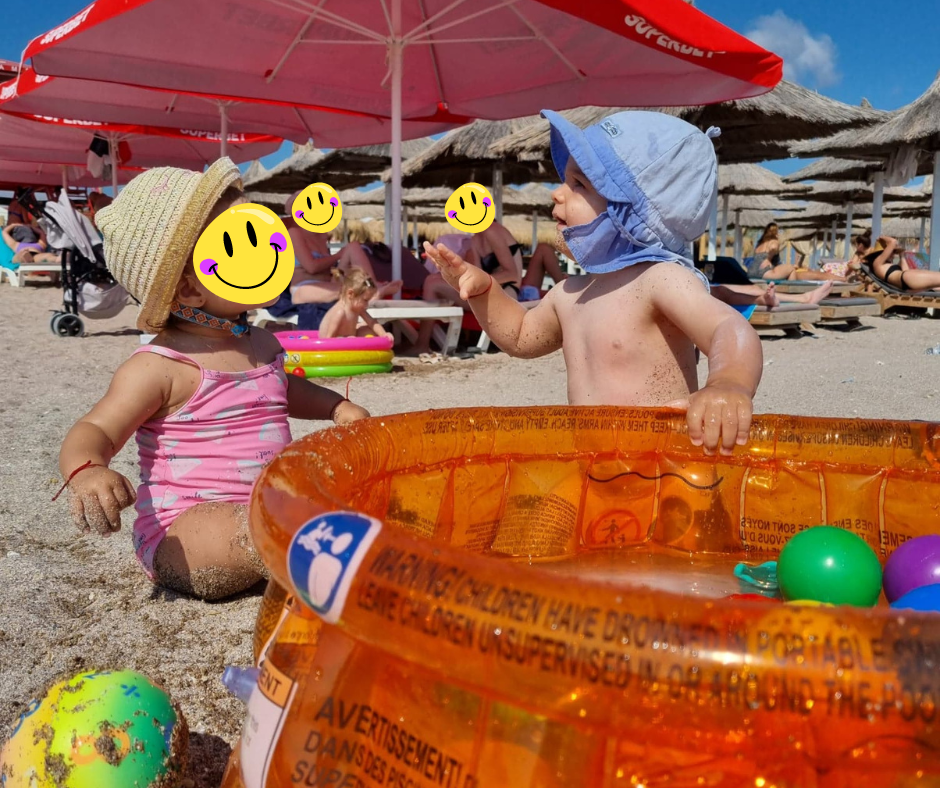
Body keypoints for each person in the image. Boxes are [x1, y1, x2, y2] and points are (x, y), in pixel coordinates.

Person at [57, 160, 371, 601]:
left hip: (269, 505)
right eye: (243, 243)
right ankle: (285, 548)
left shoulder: (261, 342)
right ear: (189, 289)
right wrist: (88, 470)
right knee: (228, 529)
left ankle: (292, 544)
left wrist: (335, 406)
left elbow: (284, 390)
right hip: (183, 530)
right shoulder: (160, 366)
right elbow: (96, 428)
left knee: (320, 498)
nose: (269, 250)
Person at [425, 110, 763, 455]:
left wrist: (728, 382)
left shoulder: (659, 280)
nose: (557, 193)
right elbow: (520, 336)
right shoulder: (569, 293)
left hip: (659, 463)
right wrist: (484, 291)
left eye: (579, 184)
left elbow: (728, 328)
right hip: (591, 463)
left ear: (631, 213)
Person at [285, 191, 401, 305]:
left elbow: (327, 266)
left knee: (353, 246)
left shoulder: (323, 235)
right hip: (305, 286)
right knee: (351, 291)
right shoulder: (294, 232)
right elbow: (311, 267)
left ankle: (371, 285)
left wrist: (347, 272)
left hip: (328, 282)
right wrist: (338, 256)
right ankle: (367, 292)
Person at [318, 268, 390, 339]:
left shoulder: (357, 308)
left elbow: (372, 322)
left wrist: (384, 334)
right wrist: (345, 340)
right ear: (350, 294)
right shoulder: (340, 312)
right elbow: (329, 339)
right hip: (336, 342)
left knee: (369, 330)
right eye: (365, 300)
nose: (366, 305)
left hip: (350, 339)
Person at [860, 232, 940, 291]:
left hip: (908, 278)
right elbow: (893, 242)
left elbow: (906, 271)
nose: (893, 254)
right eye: (891, 251)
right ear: (882, 253)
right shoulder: (877, 263)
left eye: (894, 252)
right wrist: (882, 237)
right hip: (907, 279)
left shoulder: (887, 265)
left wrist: (902, 256)